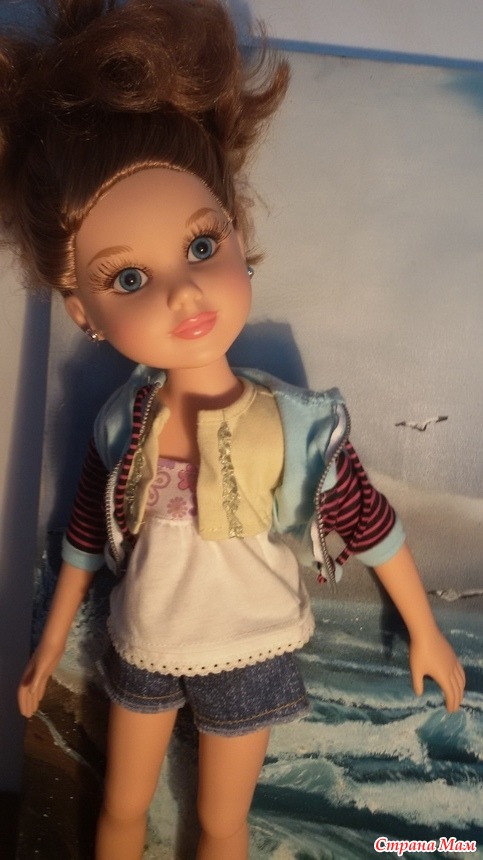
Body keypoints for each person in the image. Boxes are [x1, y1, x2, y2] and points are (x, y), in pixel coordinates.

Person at [0, 1, 464, 858]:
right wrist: (51, 637)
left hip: (252, 651)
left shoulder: (293, 424)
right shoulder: (119, 423)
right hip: (142, 645)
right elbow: (84, 536)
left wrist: (426, 630)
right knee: (120, 811)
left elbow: (369, 522)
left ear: (236, 233)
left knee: (221, 823)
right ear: (82, 310)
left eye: (201, 246)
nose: (182, 292)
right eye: (128, 278)